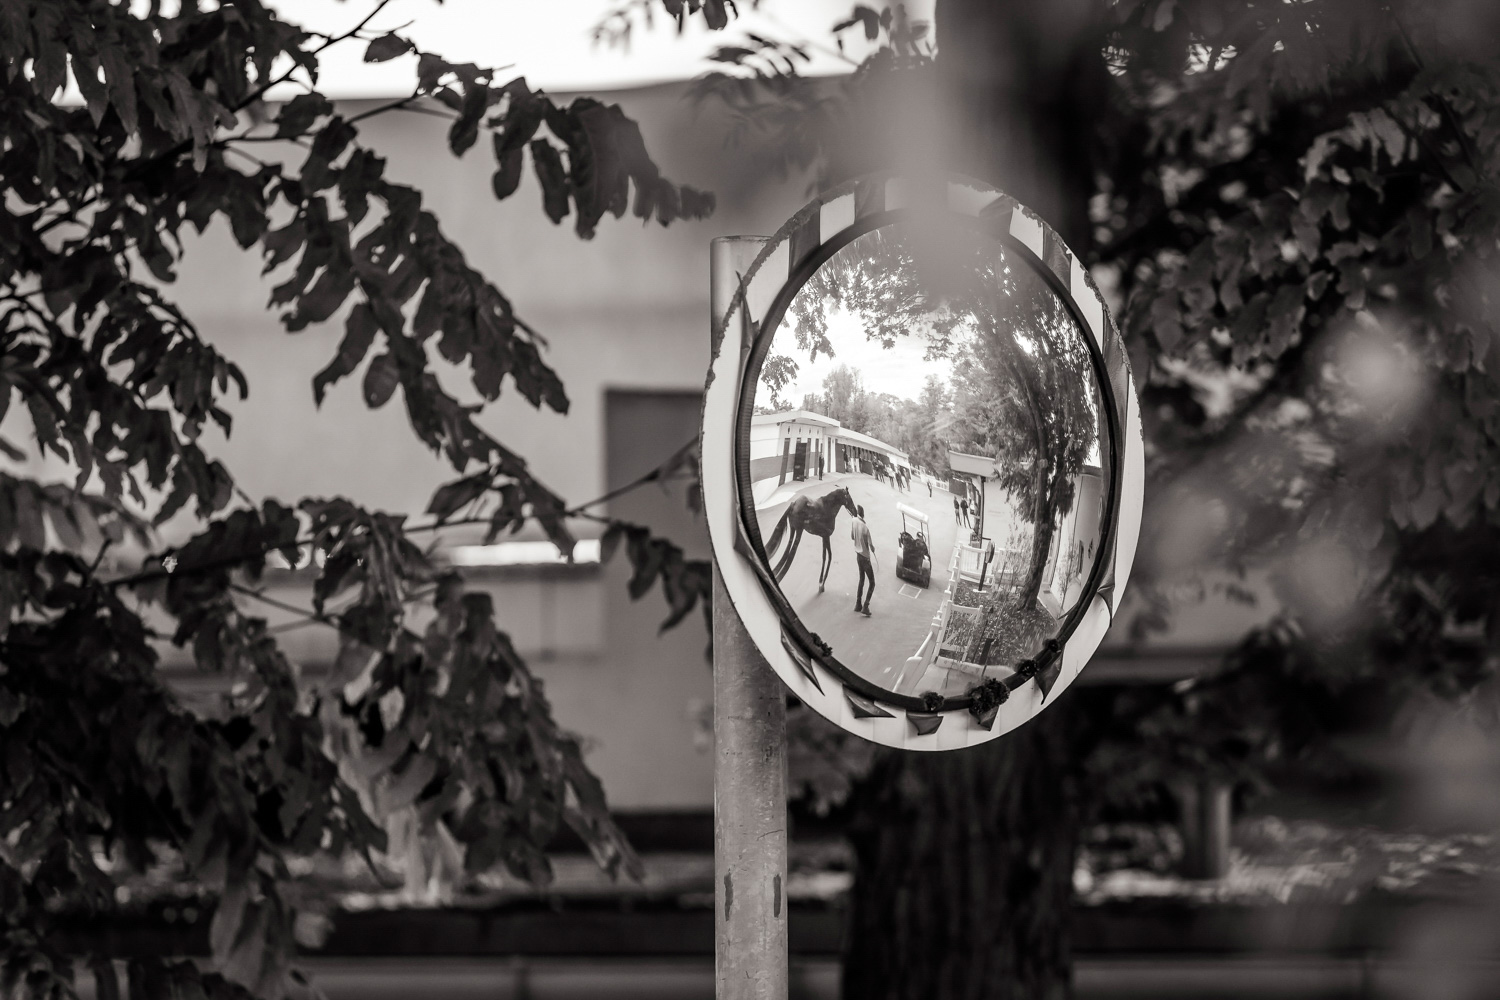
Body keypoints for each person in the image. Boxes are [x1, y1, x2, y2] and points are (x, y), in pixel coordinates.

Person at [850, 504, 877, 616]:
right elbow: (871, 546)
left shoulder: (853, 521)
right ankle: (865, 606)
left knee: (861, 579)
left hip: (858, 555)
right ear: (863, 514)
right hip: (865, 557)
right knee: (872, 582)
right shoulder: (865, 528)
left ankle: (858, 604)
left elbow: (852, 537)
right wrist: (873, 548)